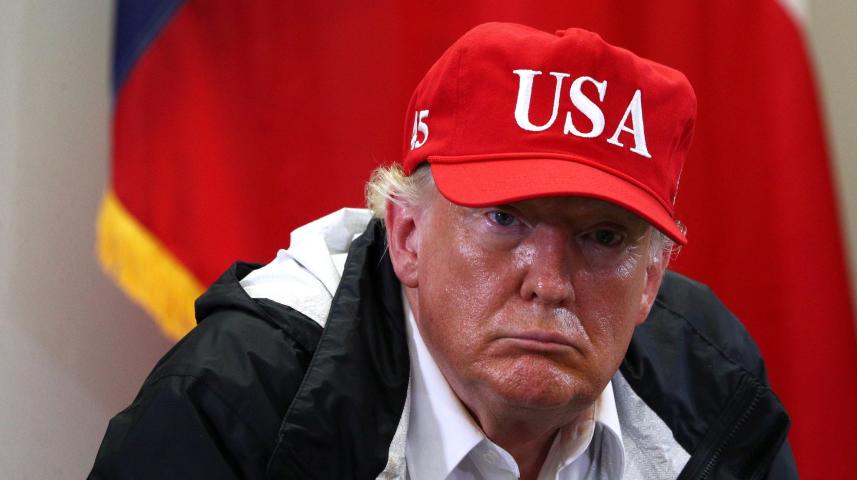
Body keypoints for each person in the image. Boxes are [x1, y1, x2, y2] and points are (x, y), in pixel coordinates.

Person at [90, 22, 797, 479]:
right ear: (405, 237)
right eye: (503, 218)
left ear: (651, 282)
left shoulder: (713, 388)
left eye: (603, 237)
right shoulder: (240, 399)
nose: (549, 283)